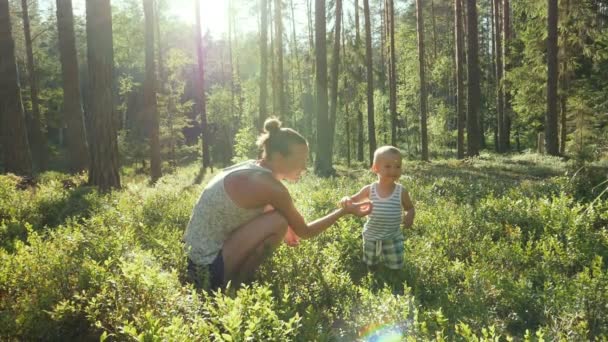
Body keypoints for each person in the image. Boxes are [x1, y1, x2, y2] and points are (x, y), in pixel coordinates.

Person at [184, 118, 372, 290]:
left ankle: (232, 283)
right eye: (300, 161)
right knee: (279, 222)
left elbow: (257, 205)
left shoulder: (254, 167)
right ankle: (234, 289)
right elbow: (305, 232)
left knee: (280, 220)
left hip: (195, 260)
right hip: (208, 268)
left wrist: (288, 226)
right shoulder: (272, 187)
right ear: (280, 157)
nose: (304, 167)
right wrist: (343, 211)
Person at [340, 146, 415, 273]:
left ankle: (394, 278)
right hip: (371, 235)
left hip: (393, 236)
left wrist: (410, 216)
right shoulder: (370, 189)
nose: (393, 170)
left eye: (398, 167)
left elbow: (410, 208)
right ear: (375, 168)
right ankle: (373, 273)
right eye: (388, 166)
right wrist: (346, 199)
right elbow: (353, 199)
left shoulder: (401, 191)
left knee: (396, 265)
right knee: (371, 262)